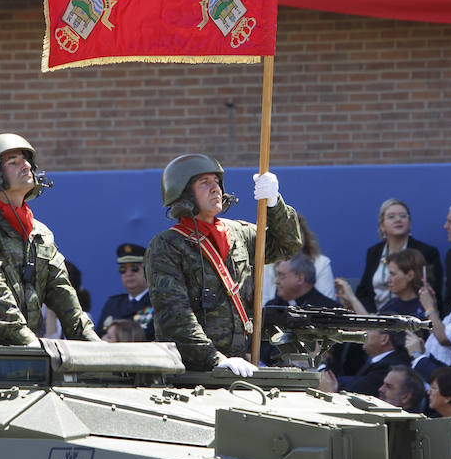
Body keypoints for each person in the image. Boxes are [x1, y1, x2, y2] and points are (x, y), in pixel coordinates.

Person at [144, 154, 300, 376]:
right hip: (191, 371)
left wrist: (275, 204)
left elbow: (288, 245)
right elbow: (175, 317)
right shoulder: (167, 245)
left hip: (239, 366)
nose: (215, 188)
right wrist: (215, 359)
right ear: (184, 193)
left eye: (217, 181)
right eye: (204, 183)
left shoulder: (241, 233)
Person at [0, 133, 97, 346]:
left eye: (26, 160)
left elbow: (62, 290)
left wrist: (90, 341)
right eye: (13, 162)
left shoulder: (40, 234)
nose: (26, 165)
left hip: (23, 352)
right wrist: (31, 344)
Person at [353, 199, 444, 317]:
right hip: (376, 317)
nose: (398, 220)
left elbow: (431, 292)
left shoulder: (426, 252)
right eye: (391, 217)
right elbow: (364, 291)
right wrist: (374, 316)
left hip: (412, 317)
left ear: (410, 223)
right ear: (382, 226)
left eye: (403, 216)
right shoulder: (374, 252)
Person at [261, 212, 334, 302]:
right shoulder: (267, 264)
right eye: (288, 234)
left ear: (305, 236)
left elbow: (327, 304)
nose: (294, 239)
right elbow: (262, 304)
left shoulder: (322, 263)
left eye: (298, 233)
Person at [338, 247, 426, 318]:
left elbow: (372, 328)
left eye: (393, 274)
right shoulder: (392, 303)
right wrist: (348, 304)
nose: (388, 280)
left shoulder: (420, 309)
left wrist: (352, 298)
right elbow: (365, 326)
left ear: (410, 275)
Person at [96, 242, 153, 339]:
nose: (128, 274)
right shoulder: (113, 303)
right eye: (123, 270)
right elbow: (99, 334)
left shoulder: (157, 304)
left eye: (134, 269)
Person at [337, 328, 411, 396]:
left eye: (370, 329)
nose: (364, 332)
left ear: (384, 339)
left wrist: (333, 387)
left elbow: (358, 390)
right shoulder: (380, 361)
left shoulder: (389, 366)